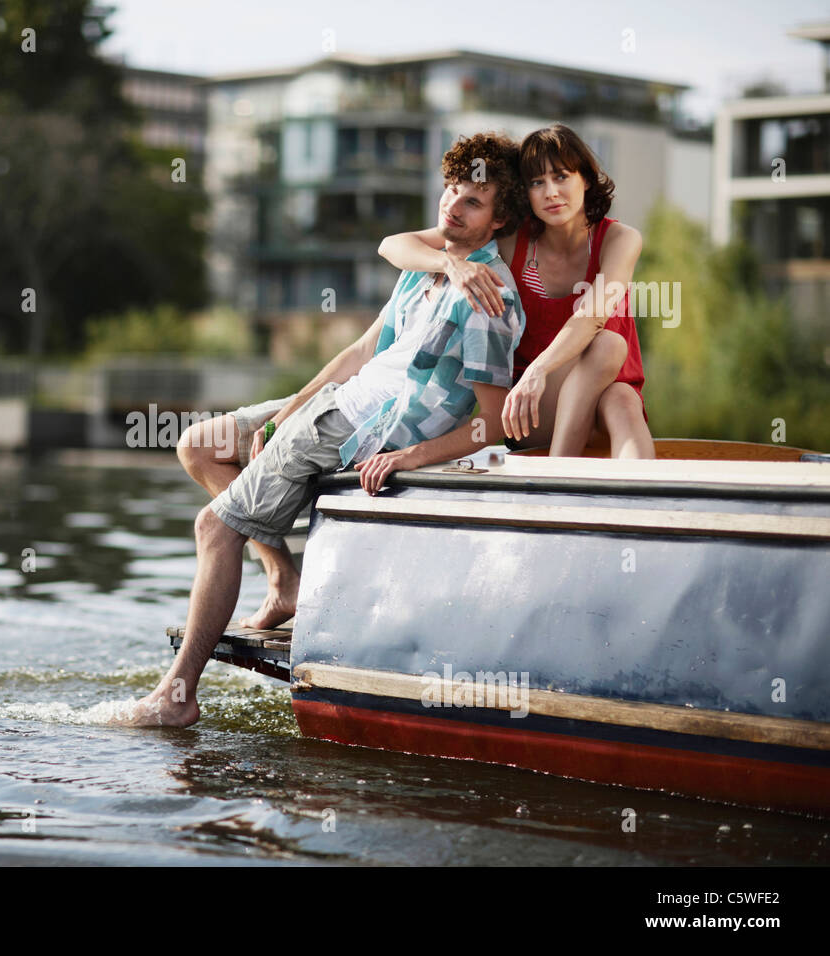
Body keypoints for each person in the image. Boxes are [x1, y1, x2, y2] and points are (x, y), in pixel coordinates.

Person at [113, 132, 526, 727]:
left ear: (499, 220)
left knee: (213, 527)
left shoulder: (488, 296)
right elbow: (364, 346)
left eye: (472, 203)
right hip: (336, 402)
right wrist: (293, 406)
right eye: (450, 193)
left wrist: (412, 455)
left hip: (361, 426)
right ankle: (284, 581)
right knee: (199, 444)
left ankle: (175, 698)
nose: (451, 209)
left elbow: (492, 426)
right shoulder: (433, 265)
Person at [378, 123, 654, 459]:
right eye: (537, 182)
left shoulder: (619, 240)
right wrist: (450, 264)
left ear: (586, 179)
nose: (550, 192)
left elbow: (592, 316)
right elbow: (393, 245)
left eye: (561, 177)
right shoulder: (513, 241)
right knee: (610, 347)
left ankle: (639, 503)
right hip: (532, 410)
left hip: (599, 405)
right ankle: (556, 481)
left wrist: (539, 369)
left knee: (621, 391)